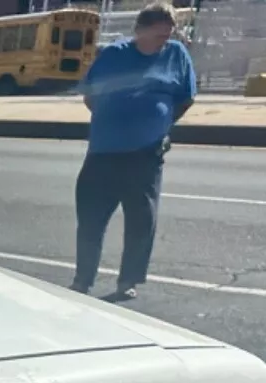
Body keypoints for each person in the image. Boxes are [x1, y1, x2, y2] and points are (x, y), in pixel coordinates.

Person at [70, 3, 196, 302]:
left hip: (145, 155)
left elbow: (186, 98)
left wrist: (160, 124)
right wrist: (115, 121)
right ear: (139, 30)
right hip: (104, 152)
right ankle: (82, 280)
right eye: (158, 35)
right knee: (91, 219)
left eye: (168, 34)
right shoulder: (114, 55)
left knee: (141, 220)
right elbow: (90, 95)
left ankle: (128, 280)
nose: (164, 41)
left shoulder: (177, 55)